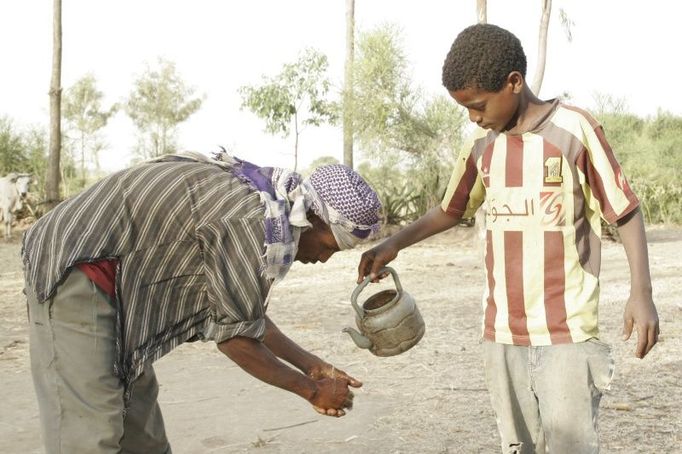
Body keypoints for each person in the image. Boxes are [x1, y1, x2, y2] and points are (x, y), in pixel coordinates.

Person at [357, 24, 659, 454]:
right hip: (501, 333)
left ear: (513, 83)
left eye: (478, 106)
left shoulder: (575, 130)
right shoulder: (482, 145)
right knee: (518, 446)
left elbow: (625, 210)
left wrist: (641, 293)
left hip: (566, 333)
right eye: (465, 109)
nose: (473, 117)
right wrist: (394, 243)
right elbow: (451, 208)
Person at [23, 150, 382, 453]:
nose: (323, 259)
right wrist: (311, 391)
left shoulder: (269, 209)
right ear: (313, 217)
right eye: (330, 247)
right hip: (79, 271)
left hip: (121, 287)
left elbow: (241, 313)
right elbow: (235, 340)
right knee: (90, 431)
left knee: (141, 430)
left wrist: (313, 365)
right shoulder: (249, 220)